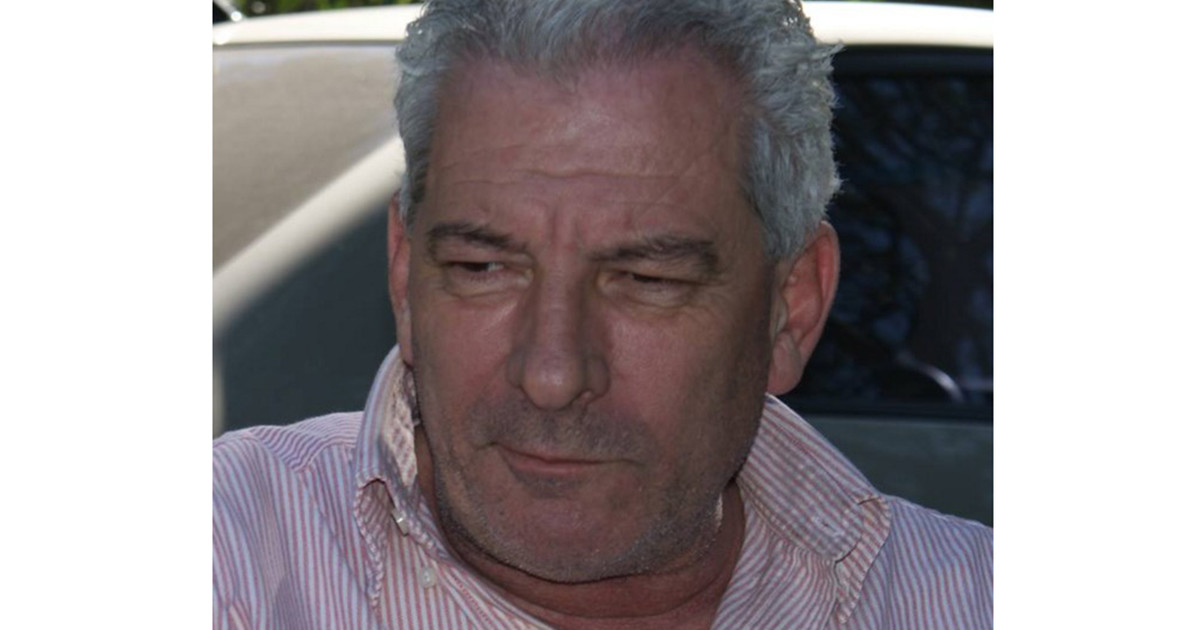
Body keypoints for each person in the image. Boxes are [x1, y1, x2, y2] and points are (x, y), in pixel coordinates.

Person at [213, 0, 993, 628]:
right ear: (405, 276)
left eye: (645, 279)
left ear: (791, 309)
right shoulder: (226, 558)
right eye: (483, 269)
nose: (552, 374)